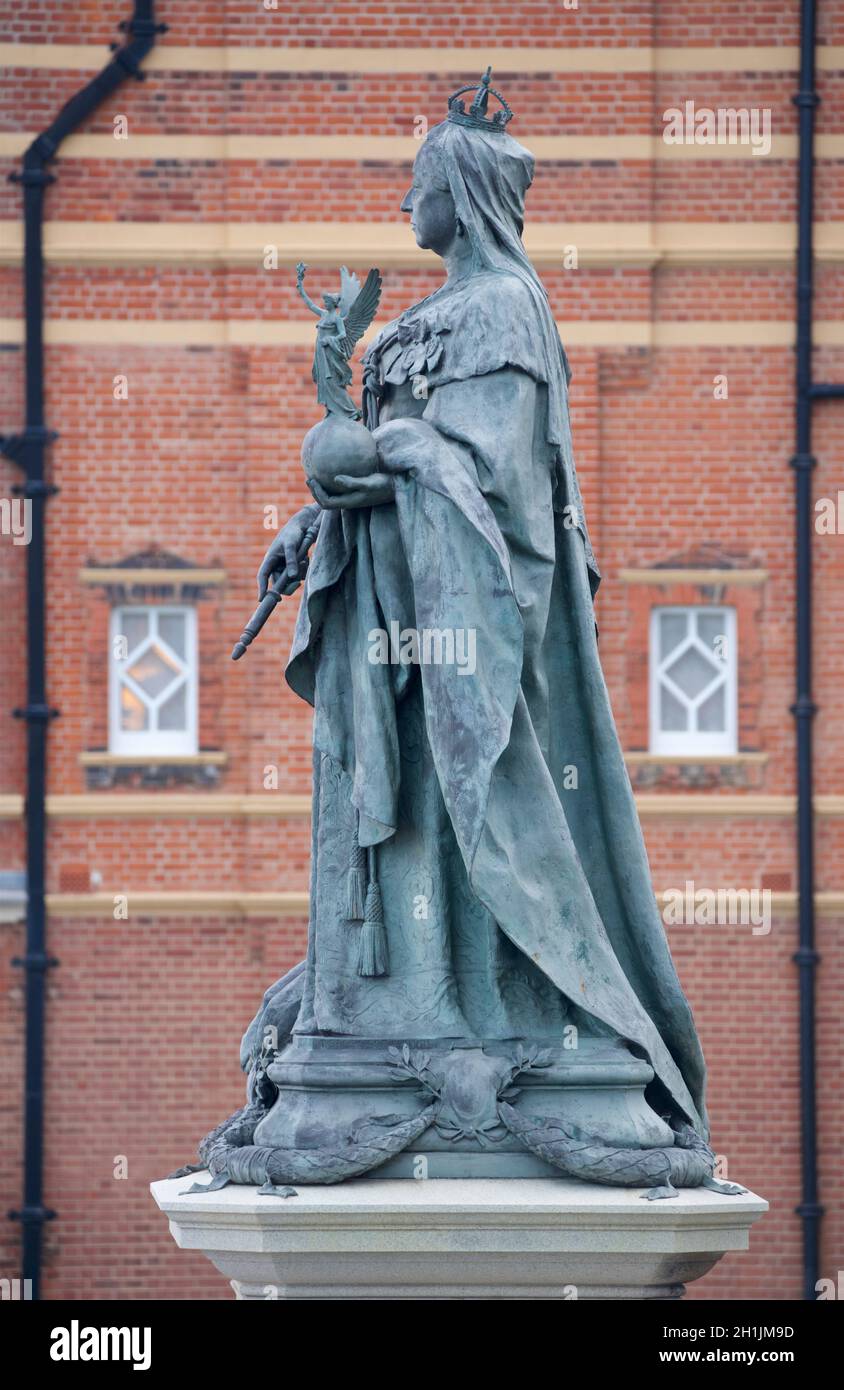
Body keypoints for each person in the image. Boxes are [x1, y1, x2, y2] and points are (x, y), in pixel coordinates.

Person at [256, 80, 709, 1139]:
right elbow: (385, 462)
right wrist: (317, 515)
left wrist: (376, 452)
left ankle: (508, 1011)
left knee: (482, 815)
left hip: (473, 632)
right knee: (416, 822)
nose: (406, 199)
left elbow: (489, 474)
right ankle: (412, 1007)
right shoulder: (430, 316)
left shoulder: (503, 308)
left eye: (420, 181)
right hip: (399, 612)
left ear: (460, 192)